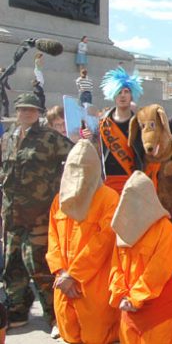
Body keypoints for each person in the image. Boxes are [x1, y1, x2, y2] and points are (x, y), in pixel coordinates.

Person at [108, 171, 172, 343]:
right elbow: (115, 266)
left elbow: (159, 271)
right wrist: (120, 294)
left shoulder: (164, 229)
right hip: (129, 302)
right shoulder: (123, 227)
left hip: (156, 303)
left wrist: (135, 298)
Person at [0, 93, 73, 329]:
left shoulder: (49, 137)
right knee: (12, 265)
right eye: (22, 109)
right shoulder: (9, 138)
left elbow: (75, 157)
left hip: (39, 214)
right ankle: (17, 310)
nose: (26, 113)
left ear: (39, 113)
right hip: (13, 215)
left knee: (39, 266)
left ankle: (55, 316)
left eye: (31, 110)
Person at [46, 140, 120, 344]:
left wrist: (74, 274)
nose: (78, 174)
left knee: (96, 337)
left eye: (84, 169)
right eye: (73, 168)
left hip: (93, 284)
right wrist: (60, 271)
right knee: (68, 333)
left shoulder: (109, 199)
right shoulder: (59, 200)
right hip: (64, 283)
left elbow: (103, 243)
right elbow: (52, 240)